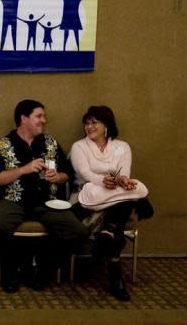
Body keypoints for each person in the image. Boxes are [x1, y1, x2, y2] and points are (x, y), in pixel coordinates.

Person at [0, 99, 89, 293]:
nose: (44, 120)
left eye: (43, 116)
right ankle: (10, 273)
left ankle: (43, 271)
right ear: (24, 118)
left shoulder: (51, 143)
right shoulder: (2, 145)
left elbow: (68, 174)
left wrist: (58, 177)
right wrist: (23, 169)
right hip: (12, 201)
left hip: (47, 202)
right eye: (38, 116)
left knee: (78, 232)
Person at [70, 105, 152, 302]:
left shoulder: (122, 147)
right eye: (87, 123)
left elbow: (124, 173)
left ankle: (108, 232)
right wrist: (102, 181)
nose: (89, 127)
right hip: (86, 194)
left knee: (133, 189)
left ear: (106, 124)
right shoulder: (79, 147)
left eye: (94, 122)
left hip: (115, 195)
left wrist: (123, 180)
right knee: (123, 202)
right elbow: (85, 174)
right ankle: (116, 278)